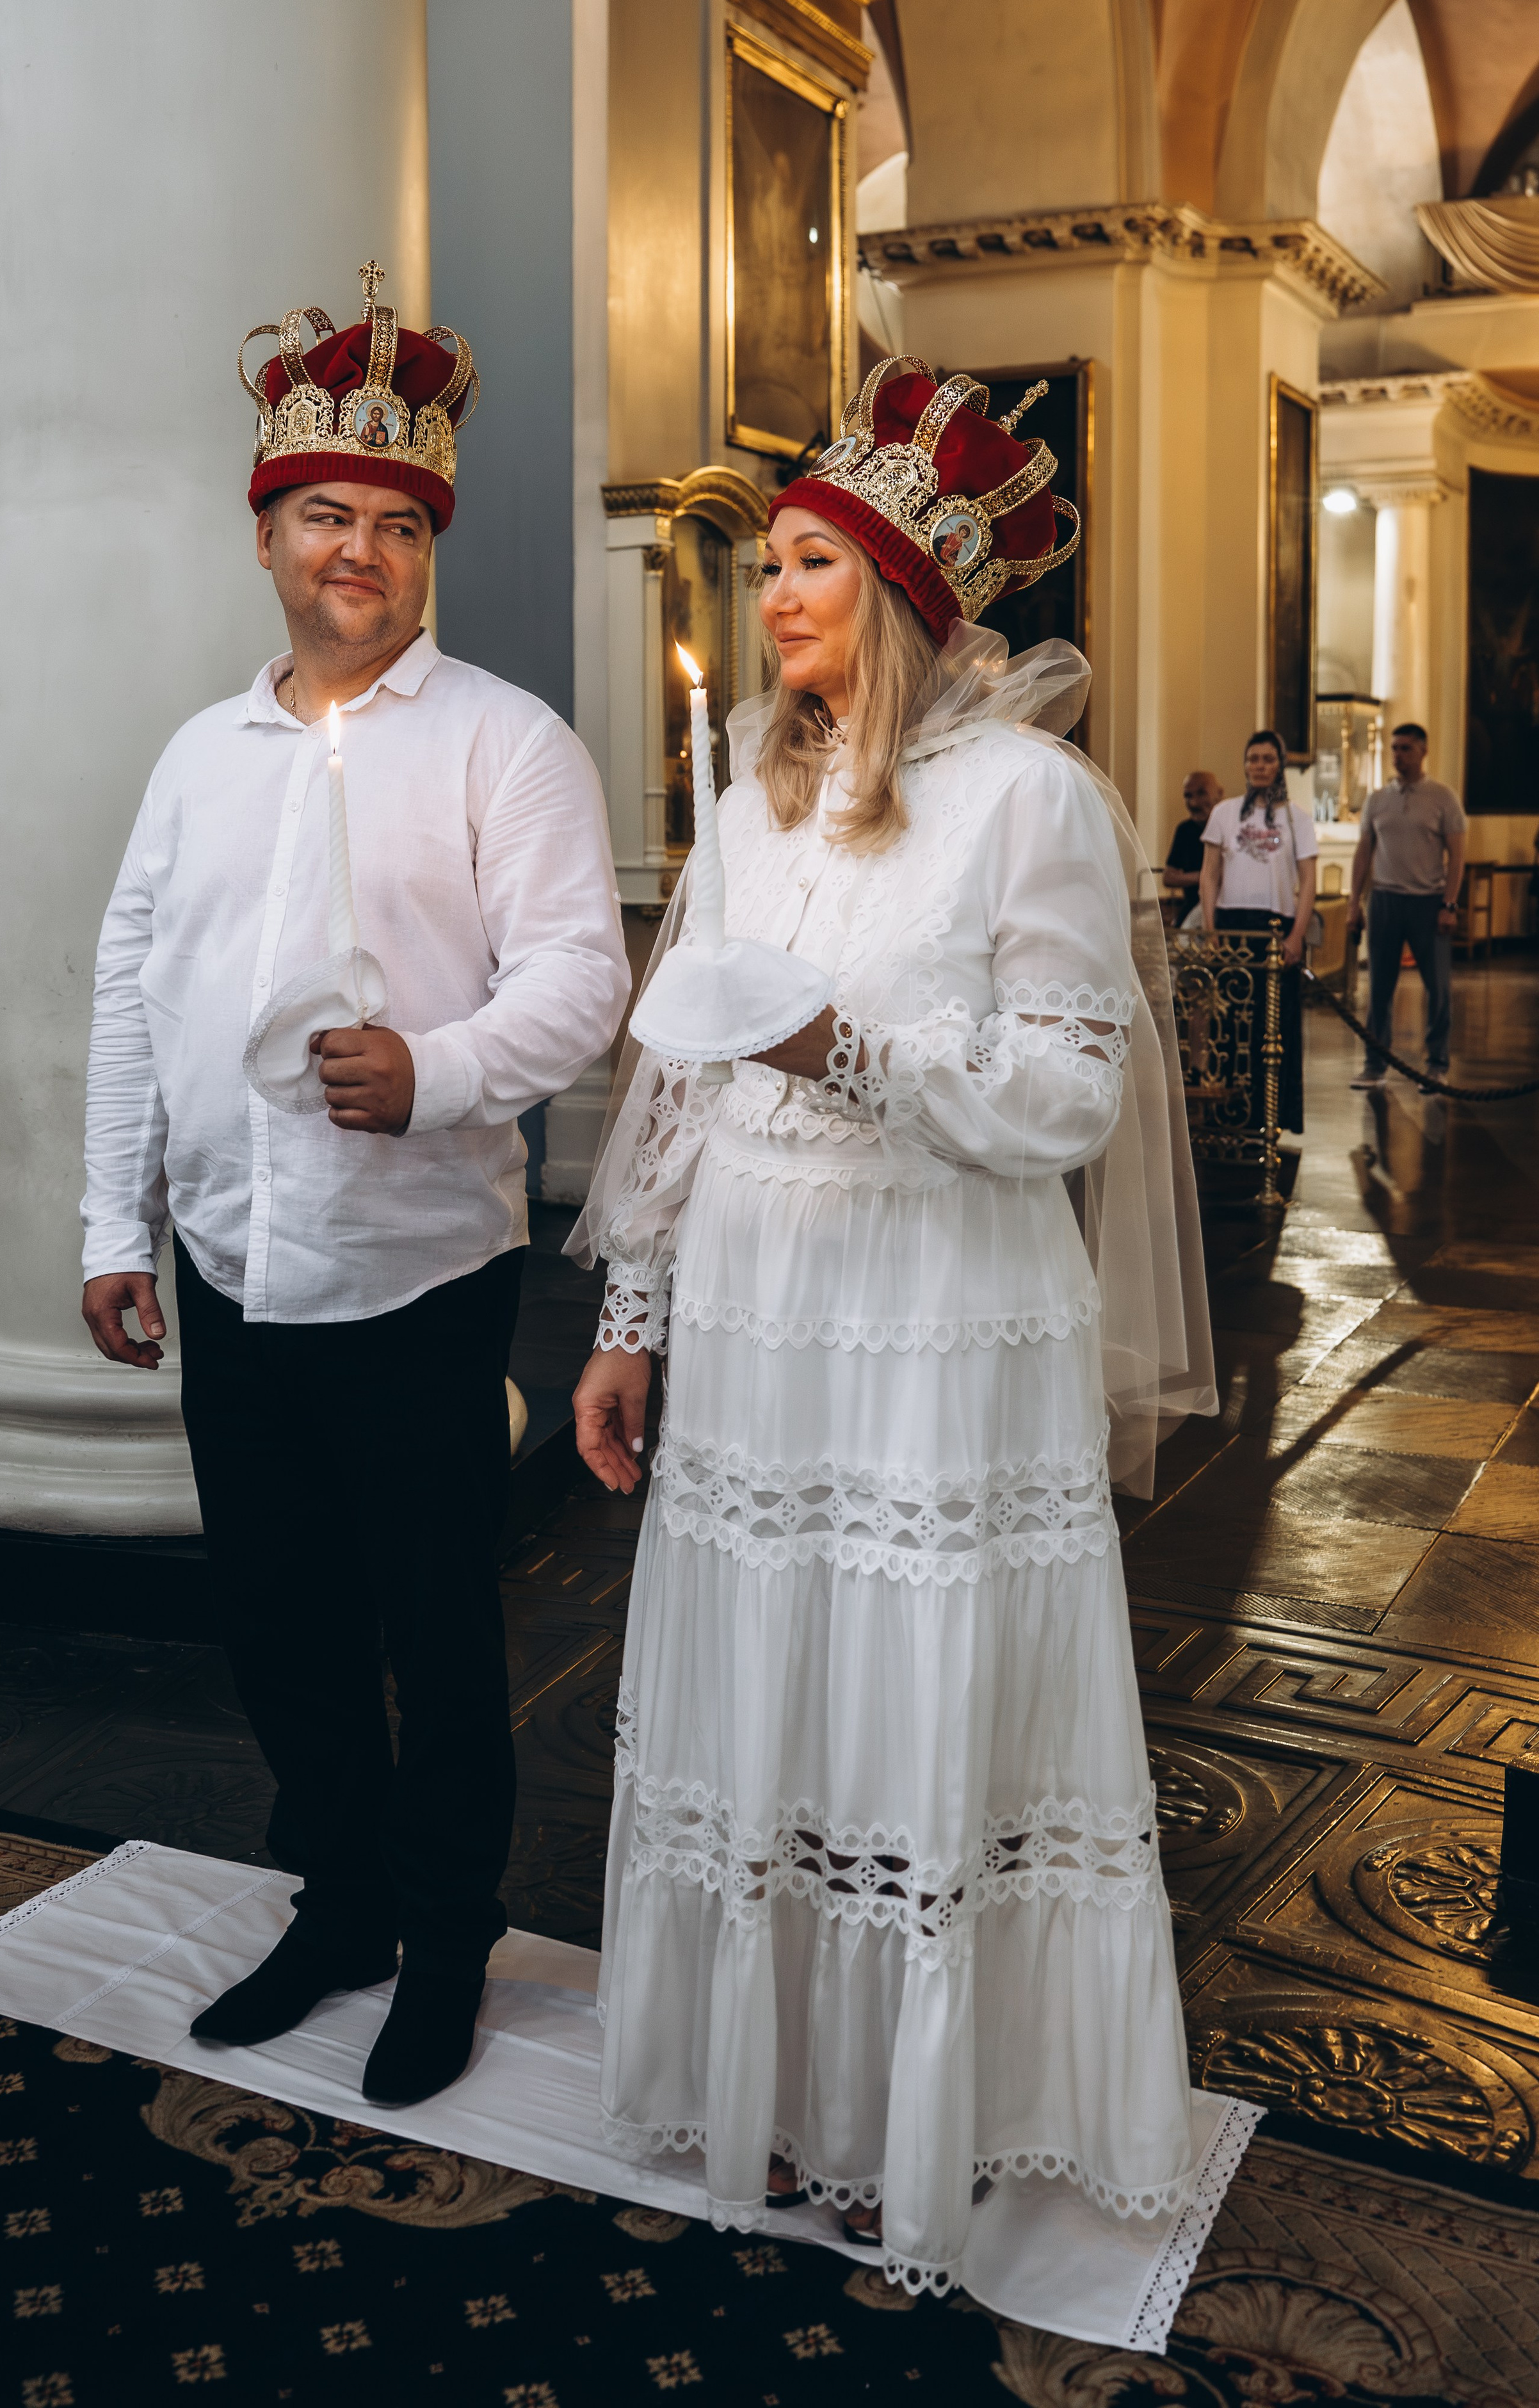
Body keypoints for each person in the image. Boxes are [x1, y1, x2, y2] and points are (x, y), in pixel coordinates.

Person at [569, 359, 1242, 2316]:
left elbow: (1067, 1097)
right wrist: (630, 1314)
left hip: (941, 1321)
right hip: (766, 1317)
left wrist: (840, 1045)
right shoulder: (750, 801)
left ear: (906, 597)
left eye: (807, 562)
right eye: (765, 561)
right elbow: (681, 1089)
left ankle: (904, 2117)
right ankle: (769, 2083)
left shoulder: (1027, 800)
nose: (771, 594)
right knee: (770, 1683)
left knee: (909, 1692)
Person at [79, 266, 629, 2105]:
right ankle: (339, 1900)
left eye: (397, 526)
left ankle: (445, 1933)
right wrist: (110, 1222)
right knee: (278, 1615)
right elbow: (131, 986)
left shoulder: (505, 741)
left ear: (426, 551)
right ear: (267, 537)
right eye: (327, 516)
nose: (361, 552)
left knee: (433, 1628)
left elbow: (580, 975)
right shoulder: (199, 756)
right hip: (231, 1266)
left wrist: (439, 1070)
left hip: (420, 1271)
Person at [1198, 731, 1317, 1133]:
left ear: (1280, 764)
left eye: (1268, 759)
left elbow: (1308, 881)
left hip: (1275, 932)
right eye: (1253, 759)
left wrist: (1297, 936)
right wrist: (1210, 929)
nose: (1259, 766)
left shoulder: (1297, 818)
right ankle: (1229, 1117)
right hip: (1232, 928)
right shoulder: (1225, 813)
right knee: (1230, 1025)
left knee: (1274, 1029)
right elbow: (1209, 875)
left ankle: (1272, 1120)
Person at [1348, 722, 1465, 1090]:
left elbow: (1458, 853)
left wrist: (1450, 903)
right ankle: (1374, 1063)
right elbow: (1364, 851)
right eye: (1395, 748)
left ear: (1423, 751)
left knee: (1438, 988)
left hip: (1428, 903)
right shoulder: (1377, 799)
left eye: (1406, 749)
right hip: (1384, 899)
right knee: (1380, 986)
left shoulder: (1443, 797)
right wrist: (1355, 902)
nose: (1398, 756)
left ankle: (1436, 1063)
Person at [1164, 772, 1223, 902]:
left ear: (1219, 794)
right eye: (1188, 796)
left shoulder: (1231, 827)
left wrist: (1185, 878)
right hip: (1194, 905)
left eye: (1202, 793)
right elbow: (1168, 878)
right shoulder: (1185, 830)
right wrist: (1206, 876)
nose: (1194, 803)